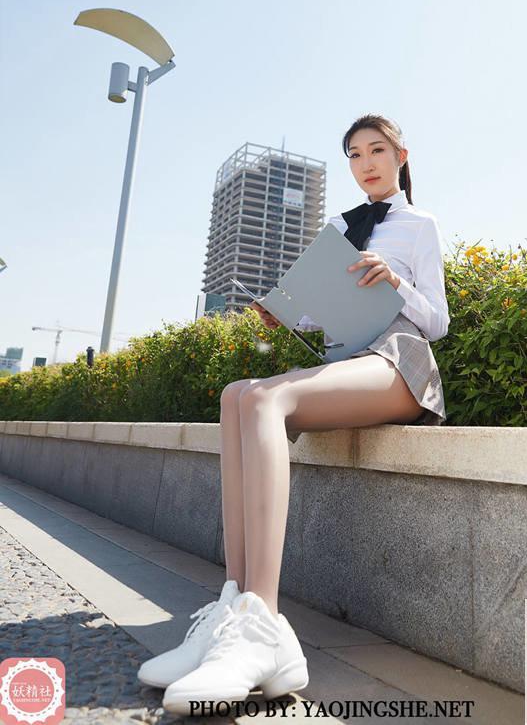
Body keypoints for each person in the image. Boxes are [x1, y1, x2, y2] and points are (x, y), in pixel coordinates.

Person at [139, 113, 451, 715]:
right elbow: (321, 312)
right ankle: (233, 605)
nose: (366, 163)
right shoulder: (336, 225)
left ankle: (263, 619)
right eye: (355, 154)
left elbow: (437, 319)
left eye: (377, 150)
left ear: (401, 155)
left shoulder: (419, 224)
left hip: (398, 360)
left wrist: (395, 282)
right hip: (346, 356)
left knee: (268, 397)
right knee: (238, 393)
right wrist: (289, 312)